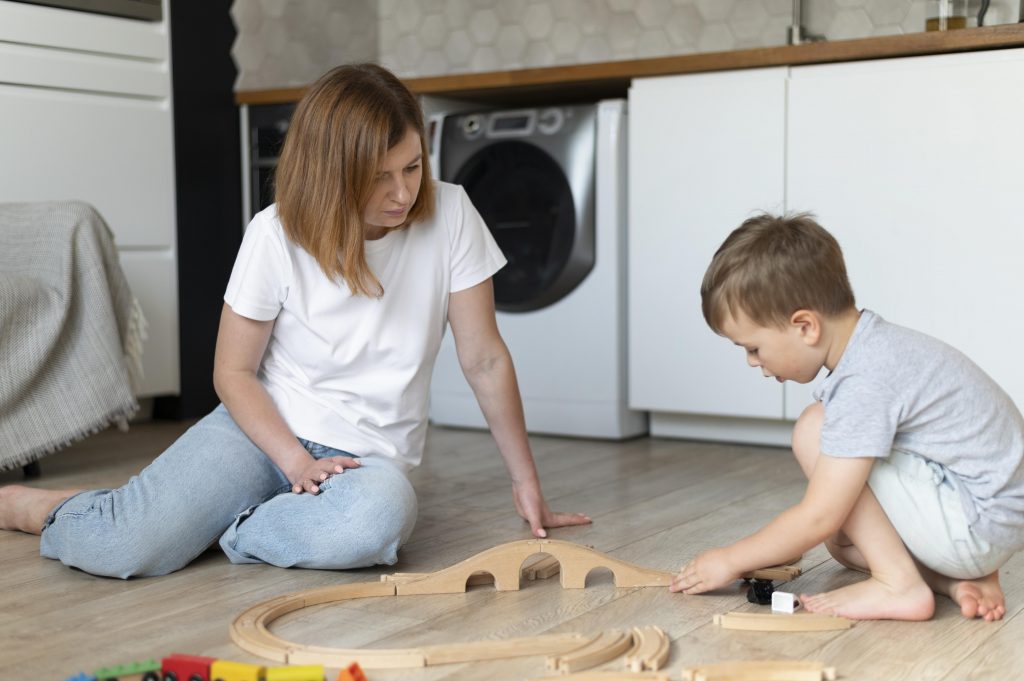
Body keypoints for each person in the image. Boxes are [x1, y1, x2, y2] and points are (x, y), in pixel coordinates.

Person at [0, 63, 590, 578]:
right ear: (333, 172)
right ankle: (45, 508)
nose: (402, 193)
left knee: (377, 524)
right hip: (259, 432)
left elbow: (484, 358)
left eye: (411, 167)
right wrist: (295, 463)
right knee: (126, 546)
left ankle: (225, 527)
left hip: (365, 461)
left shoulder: (453, 214)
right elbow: (233, 372)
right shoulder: (275, 233)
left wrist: (526, 481)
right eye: (378, 177)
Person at [669, 213, 1024, 621]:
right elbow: (831, 525)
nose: (753, 363)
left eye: (752, 348)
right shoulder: (878, 346)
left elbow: (818, 514)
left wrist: (730, 559)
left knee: (813, 430)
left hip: (975, 522)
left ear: (805, 326)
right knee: (844, 543)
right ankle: (952, 581)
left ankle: (898, 585)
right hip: (988, 522)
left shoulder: (864, 381)